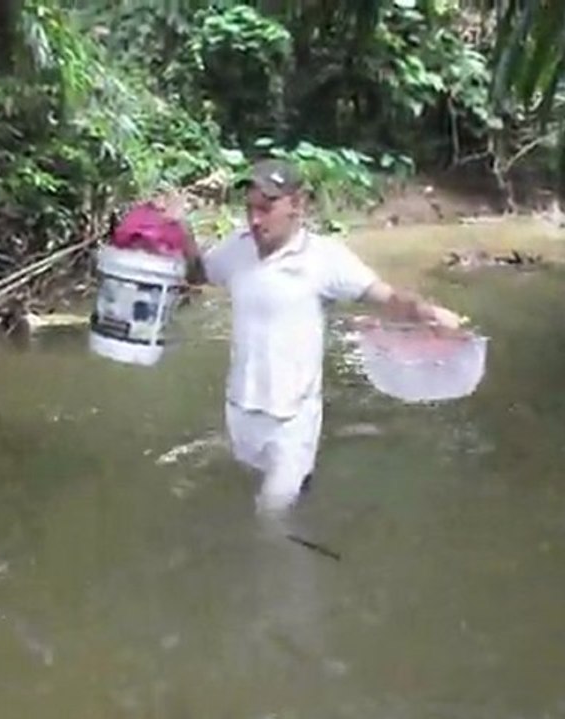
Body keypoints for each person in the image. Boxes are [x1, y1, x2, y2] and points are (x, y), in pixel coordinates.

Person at [177, 159, 464, 516]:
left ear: (298, 205)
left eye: (266, 208)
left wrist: (430, 314)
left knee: (271, 520)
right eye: (249, 208)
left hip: (291, 421)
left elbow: (386, 297)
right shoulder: (237, 247)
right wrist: (183, 233)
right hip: (241, 410)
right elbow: (199, 274)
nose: (254, 219)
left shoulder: (324, 259)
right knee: (243, 500)